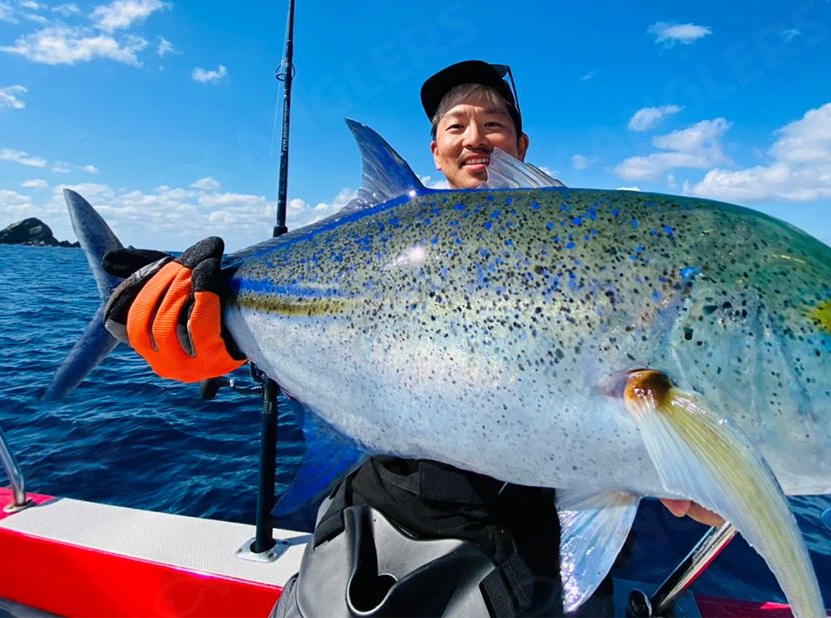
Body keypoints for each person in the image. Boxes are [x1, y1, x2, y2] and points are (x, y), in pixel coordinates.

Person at [103, 59, 721, 616]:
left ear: (522, 144)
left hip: (531, 542)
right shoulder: (392, 239)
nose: (475, 138)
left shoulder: (593, 244)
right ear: (434, 150)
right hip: (382, 512)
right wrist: (223, 348)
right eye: (456, 126)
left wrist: (684, 463)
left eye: (494, 125)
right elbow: (318, 339)